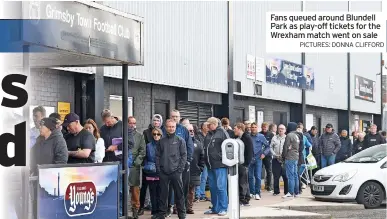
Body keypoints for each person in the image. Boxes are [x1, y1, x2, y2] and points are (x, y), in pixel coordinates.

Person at [162, 110, 193, 217]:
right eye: (173, 116)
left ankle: (181, 210)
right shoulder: (164, 130)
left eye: (177, 116)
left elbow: (189, 147)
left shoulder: (184, 130)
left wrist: (187, 162)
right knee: (167, 191)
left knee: (181, 189)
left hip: (180, 166)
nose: (175, 118)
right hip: (166, 167)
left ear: (179, 118)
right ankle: (168, 209)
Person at [156, 119, 187, 219]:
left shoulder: (180, 140)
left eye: (173, 127)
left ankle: (182, 215)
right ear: (166, 127)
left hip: (176, 172)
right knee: (162, 195)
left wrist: (180, 170)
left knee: (179, 194)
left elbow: (184, 155)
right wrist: (159, 170)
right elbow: (157, 156)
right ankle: (161, 214)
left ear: (175, 127)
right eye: (169, 126)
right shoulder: (161, 141)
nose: (171, 128)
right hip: (163, 172)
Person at [203, 117, 229, 216]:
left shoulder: (222, 133)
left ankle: (223, 208)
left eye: (209, 125)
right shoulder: (208, 135)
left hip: (220, 165)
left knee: (221, 187)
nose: (207, 126)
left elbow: (228, 147)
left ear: (214, 124)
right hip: (210, 165)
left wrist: (221, 157)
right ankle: (215, 208)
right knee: (213, 187)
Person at [139, 114, 163, 215]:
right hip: (149, 165)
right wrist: (145, 165)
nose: (156, 122)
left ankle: (159, 209)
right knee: (144, 187)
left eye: (158, 121)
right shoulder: (146, 132)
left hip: (159, 167)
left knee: (159, 190)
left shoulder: (163, 133)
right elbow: (144, 149)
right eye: (154, 120)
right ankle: (141, 207)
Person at [127, 116, 146, 219]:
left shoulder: (140, 136)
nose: (133, 125)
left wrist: (136, 162)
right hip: (124, 163)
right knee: (123, 189)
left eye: (134, 123)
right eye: (130, 123)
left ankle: (135, 212)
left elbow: (142, 151)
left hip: (134, 166)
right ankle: (123, 211)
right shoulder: (123, 134)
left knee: (135, 190)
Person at [143, 127, 163, 218]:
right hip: (151, 171)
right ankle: (154, 211)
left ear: (161, 135)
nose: (156, 136)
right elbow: (146, 158)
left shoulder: (164, 145)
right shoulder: (148, 145)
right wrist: (148, 167)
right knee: (152, 192)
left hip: (161, 171)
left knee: (160, 192)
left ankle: (160, 211)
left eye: (158, 134)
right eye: (154, 134)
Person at [233, 123, 253, 206]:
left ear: (240, 129)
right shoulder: (238, 138)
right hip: (241, 163)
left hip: (243, 163)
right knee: (244, 181)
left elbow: (250, 151)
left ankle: (243, 198)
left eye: (235, 128)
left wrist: (246, 164)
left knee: (243, 182)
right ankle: (246, 198)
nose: (234, 130)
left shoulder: (246, 138)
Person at [186, 124, 205, 214]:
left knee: (191, 191)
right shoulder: (181, 142)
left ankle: (189, 207)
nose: (192, 132)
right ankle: (179, 207)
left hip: (194, 171)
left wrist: (200, 168)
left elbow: (202, 157)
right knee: (181, 191)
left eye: (193, 130)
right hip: (182, 171)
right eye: (190, 130)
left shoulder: (198, 143)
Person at [249, 122, 270, 200]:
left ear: (257, 128)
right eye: (252, 127)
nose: (253, 128)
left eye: (255, 127)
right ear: (250, 128)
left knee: (257, 176)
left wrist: (264, 154)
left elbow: (268, 147)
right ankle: (252, 192)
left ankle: (257, 193)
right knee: (250, 177)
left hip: (258, 158)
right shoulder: (248, 136)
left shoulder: (261, 136)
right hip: (250, 159)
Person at [281, 122, 300, 198]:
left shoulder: (289, 135)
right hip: (296, 156)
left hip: (290, 156)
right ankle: (296, 192)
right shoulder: (297, 135)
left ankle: (290, 192)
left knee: (290, 175)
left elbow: (286, 147)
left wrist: (283, 156)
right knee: (295, 175)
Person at [270, 124, 288, 196]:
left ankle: (286, 191)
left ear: (285, 130)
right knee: (276, 176)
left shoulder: (287, 138)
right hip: (276, 159)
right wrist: (274, 154)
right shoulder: (274, 138)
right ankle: (276, 191)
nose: (281, 130)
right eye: (279, 128)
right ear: (277, 130)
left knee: (285, 176)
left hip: (284, 160)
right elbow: (271, 147)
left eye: (282, 129)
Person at [195, 122, 209, 202]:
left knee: (204, 178)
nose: (208, 127)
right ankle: (197, 195)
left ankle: (202, 194)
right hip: (200, 159)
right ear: (202, 127)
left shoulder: (209, 135)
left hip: (206, 159)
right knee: (199, 177)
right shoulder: (198, 136)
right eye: (206, 126)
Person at [260, 122, 274, 192]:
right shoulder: (259, 134)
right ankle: (258, 186)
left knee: (269, 170)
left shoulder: (271, 134)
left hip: (268, 155)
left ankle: (269, 186)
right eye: (263, 127)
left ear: (268, 128)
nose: (264, 128)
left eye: (265, 127)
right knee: (259, 171)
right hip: (260, 155)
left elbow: (271, 145)